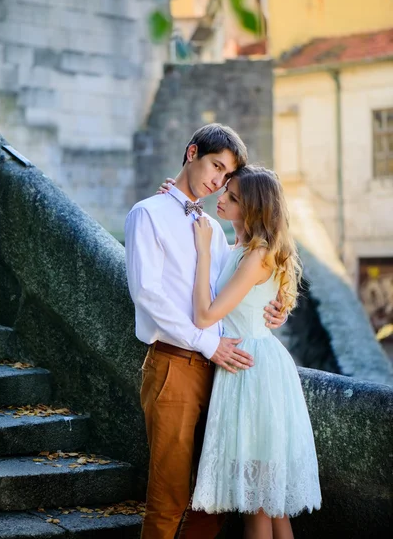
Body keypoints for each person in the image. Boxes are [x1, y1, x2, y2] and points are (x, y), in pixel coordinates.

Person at [124, 124, 286, 539]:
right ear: (192, 151)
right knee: (169, 498)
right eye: (215, 166)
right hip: (175, 365)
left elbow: (228, 291)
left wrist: (275, 306)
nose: (217, 181)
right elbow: (148, 296)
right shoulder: (148, 213)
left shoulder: (212, 229)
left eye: (226, 176)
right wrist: (208, 344)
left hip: (224, 372)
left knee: (212, 498)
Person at [187, 165, 322, 539]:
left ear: (253, 208)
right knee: (271, 506)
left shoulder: (256, 255)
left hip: (253, 372)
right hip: (251, 365)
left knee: (258, 505)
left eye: (232, 197)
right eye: (224, 191)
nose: (221, 198)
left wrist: (201, 254)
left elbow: (205, 314)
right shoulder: (244, 250)